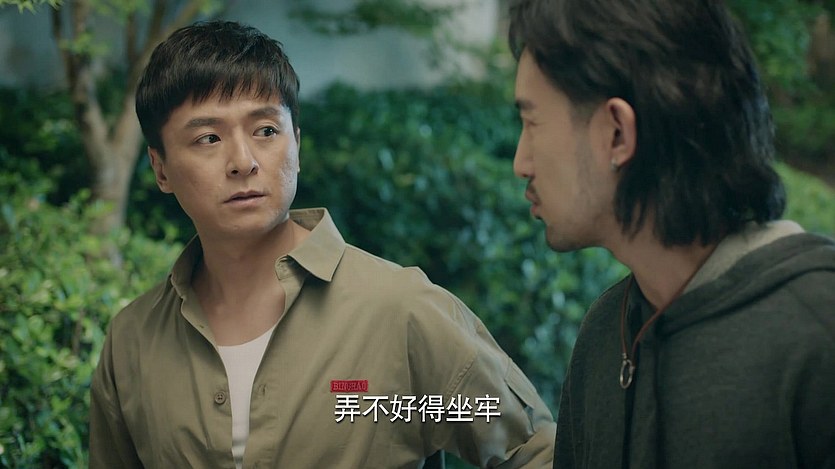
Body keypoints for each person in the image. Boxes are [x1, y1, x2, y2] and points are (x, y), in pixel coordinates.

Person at [88, 20, 555, 469]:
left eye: (266, 130)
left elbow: (535, 452)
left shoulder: (400, 311)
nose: (243, 162)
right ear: (161, 168)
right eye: (208, 138)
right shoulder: (133, 342)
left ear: (296, 144)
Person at [507, 0, 835, 467]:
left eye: (532, 122)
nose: (520, 163)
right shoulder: (604, 334)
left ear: (617, 133)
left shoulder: (818, 331)